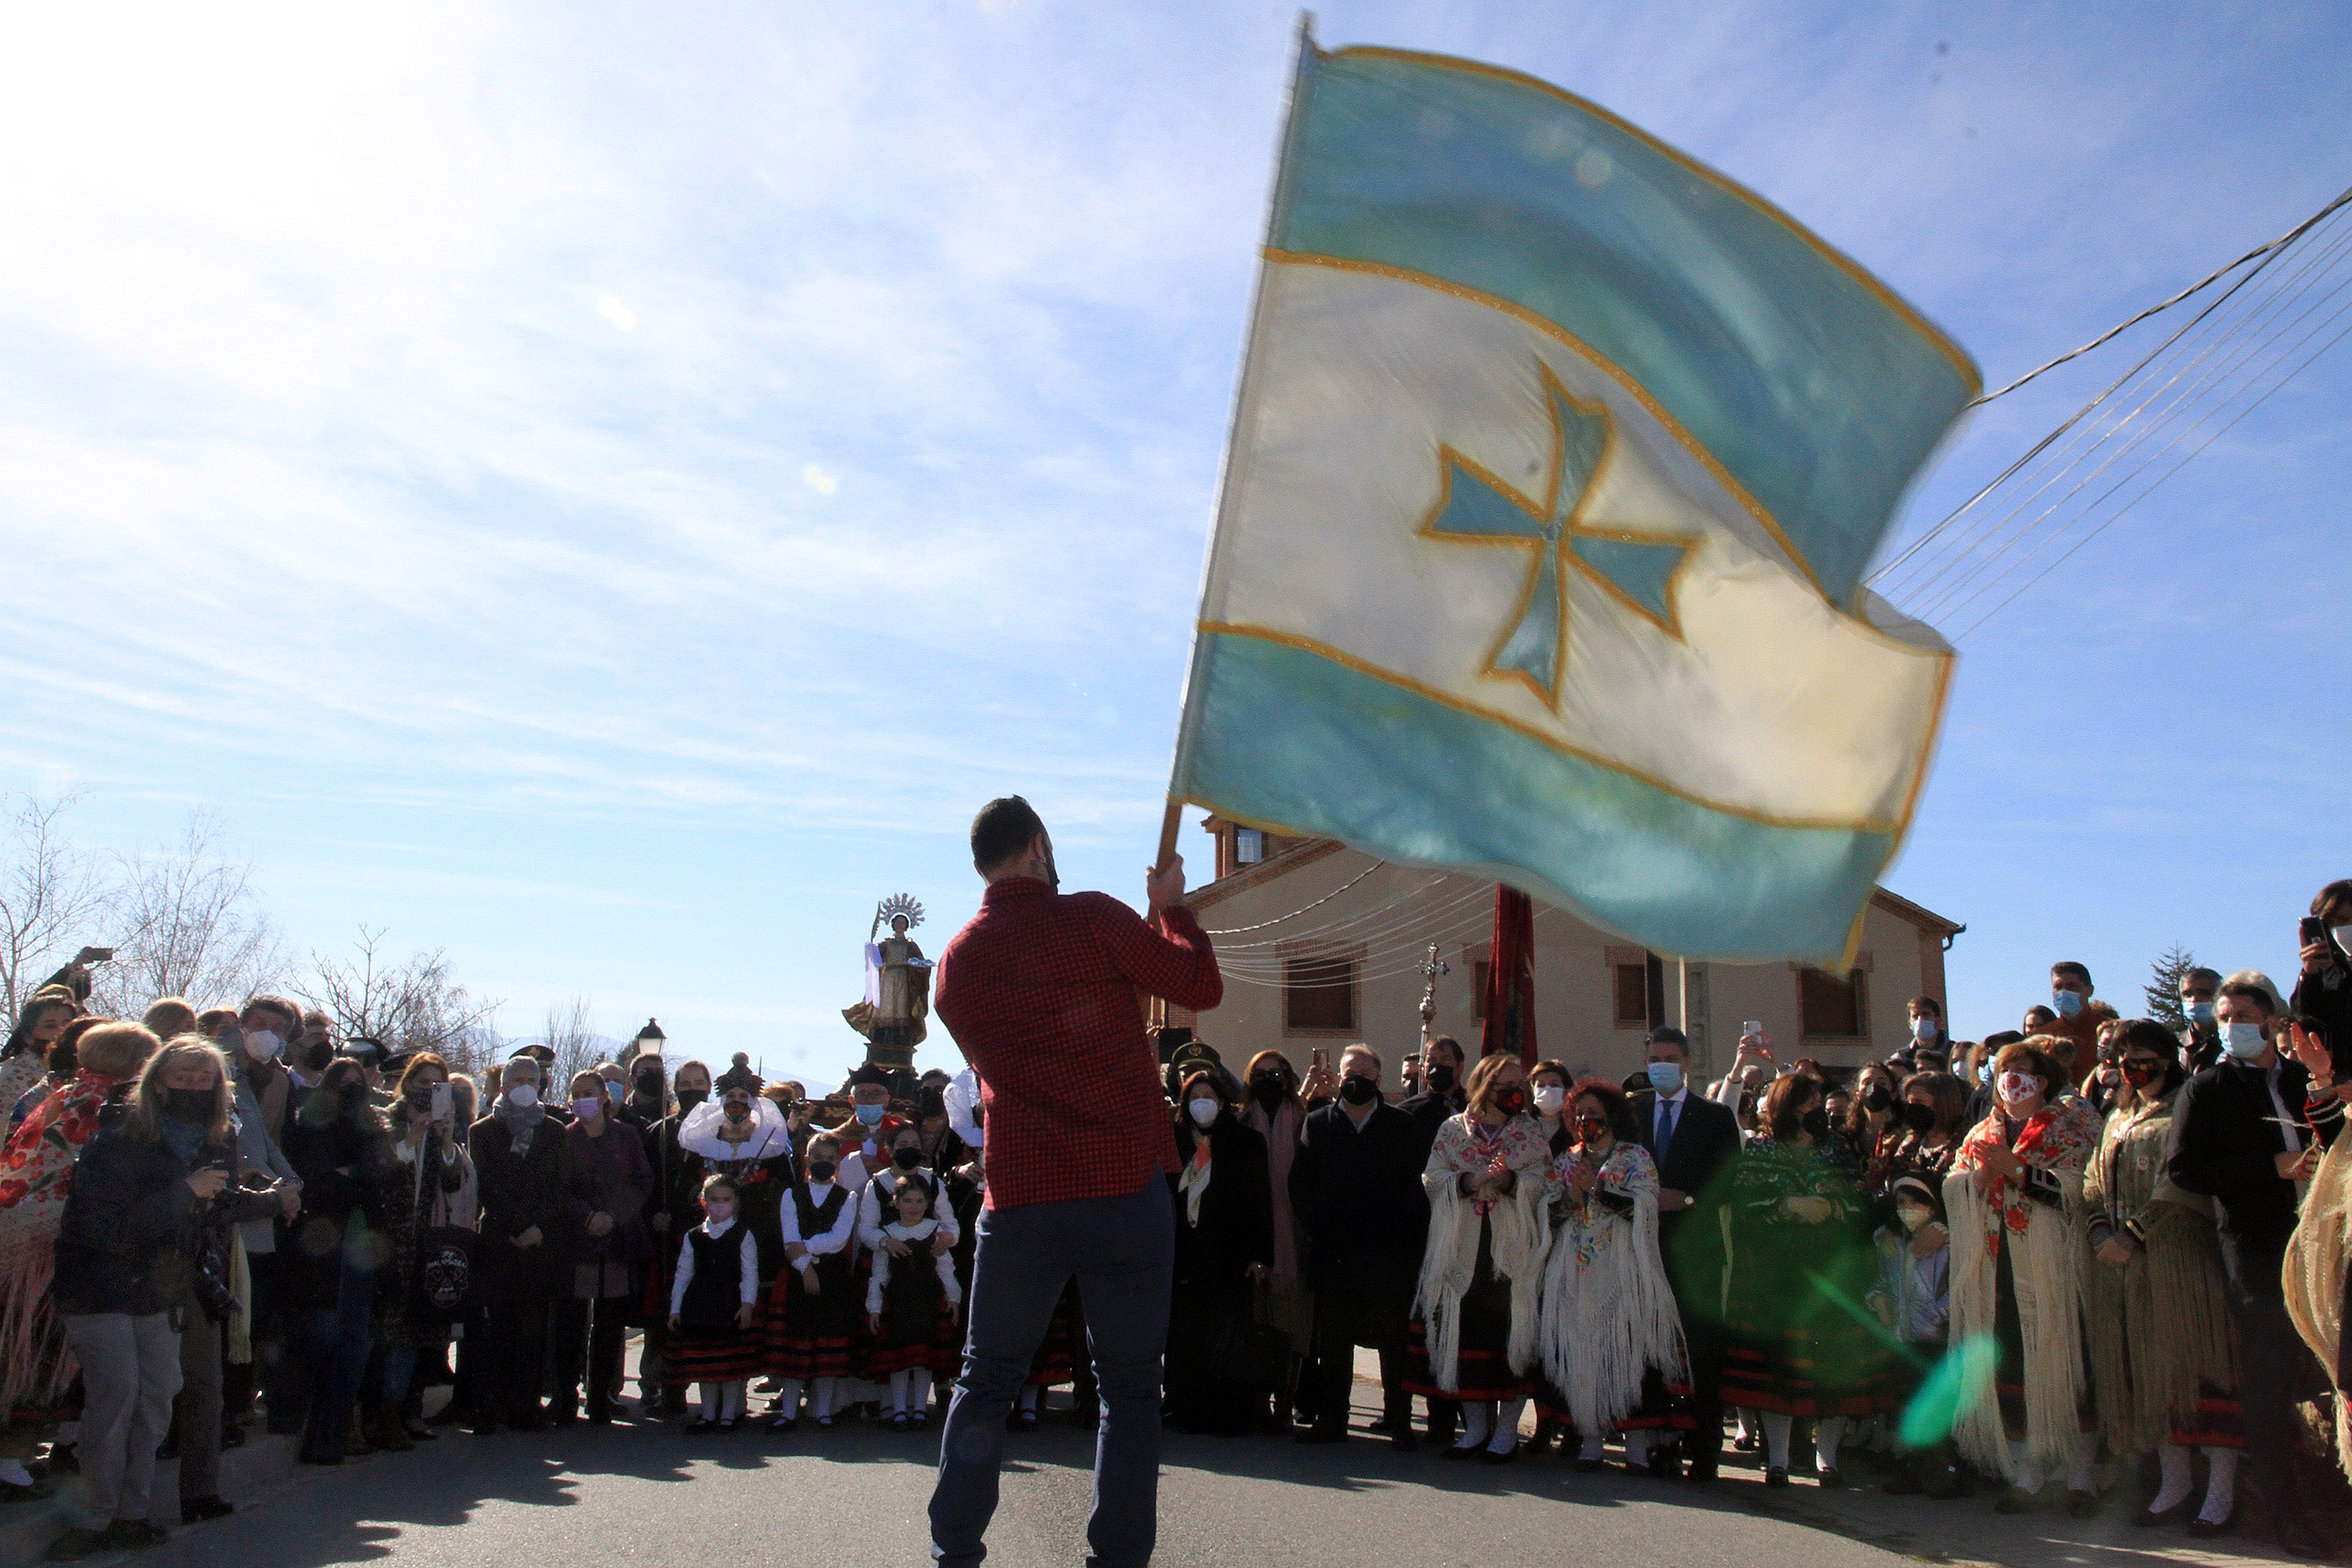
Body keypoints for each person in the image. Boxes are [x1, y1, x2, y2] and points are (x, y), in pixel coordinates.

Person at [926, 796, 1221, 1568]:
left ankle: (953, 1546)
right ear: (1037, 846)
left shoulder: (956, 962)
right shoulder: (1091, 916)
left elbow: (1019, 1046)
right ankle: (1116, 1557)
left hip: (1022, 1190)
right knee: (1127, 1388)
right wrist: (1172, 909)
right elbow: (1196, 980)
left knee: (985, 1377)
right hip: (1121, 1182)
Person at [2166, 973, 2342, 1558]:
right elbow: (2184, 1171)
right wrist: (2269, 1166)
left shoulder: (2302, 1079)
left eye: (2242, 1013)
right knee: (2267, 1386)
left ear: (2269, 1018)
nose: (2230, 1024)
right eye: (2222, 1015)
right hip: (2257, 1252)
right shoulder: (2206, 1087)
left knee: (2334, 1373)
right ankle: (2286, 1514)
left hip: (2325, 1249)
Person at [43, 1030, 212, 1560]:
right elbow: (102, 1227)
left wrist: (271, 1198)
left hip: (156, 1290)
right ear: (156, 1082)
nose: (193, 1088)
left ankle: (131, 1514)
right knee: (115, 1400)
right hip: (99, 1287)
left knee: (158, 1395)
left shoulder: (204, 1139)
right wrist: (186, 1192)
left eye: (204, 1079)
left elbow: (206, 1206)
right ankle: (90, 1519)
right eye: (181, 1077)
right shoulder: (118, 1134)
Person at [2081, 1021, 2241, 1532]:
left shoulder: (2185, 1107)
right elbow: (2092, 1180)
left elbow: (2184, 1179)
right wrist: (2101, 1231)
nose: (2134, 1066)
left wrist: (2135, 1233)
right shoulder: (2117, 1115)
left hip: (2178, 1258)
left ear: (2168, 1059)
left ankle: (2221, 1489)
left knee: (2197, 1367)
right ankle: (2174, 1484)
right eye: (2125, 1057)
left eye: (2145, 1056)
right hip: (2121, 1268)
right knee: (2147, 1373)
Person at [1945, 1038, 2102, 1514]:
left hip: (2052, 1266)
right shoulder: (1980, 1133)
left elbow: (2079, 1190)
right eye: (2005, 1070)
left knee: (2065, 1360)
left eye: (2025, 1071)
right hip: (1995, 1266)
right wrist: (1977, 1180)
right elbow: (1955, 1182)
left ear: (2046, 1080)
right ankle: (2024, 1471)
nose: (2013, 1079)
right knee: (2008, 1363)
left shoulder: (2070, 1127)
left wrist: (2018, 1172)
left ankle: (2081, 1476)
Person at [0, 1022, 155, 1500]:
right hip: (58, 1243)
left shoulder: (62, 1092)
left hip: (27, 1233)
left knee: (30, 1352)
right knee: (43, 1354)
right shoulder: (104, 1105)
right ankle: (13, 1459)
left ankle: (24, 1454)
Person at [1720, 1071, 1894, 1488]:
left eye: (1818, 1100)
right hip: (1777, 1273)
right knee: (1779, 1368)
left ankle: (1827, 1460)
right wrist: (1786, 1206)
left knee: (1831, 1369)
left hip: (1830, 1273)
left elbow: (1859, 1202)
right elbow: (1743, 1204)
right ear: (1785, 1107)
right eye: (1805, 1101)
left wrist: (1832, 1208)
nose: (1815, 1108)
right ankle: (1777, 1459)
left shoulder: (1836, 1149)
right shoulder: (1761, 1150)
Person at [1406, 1052, 1550, 1464]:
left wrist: (1510, 1182)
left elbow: (1545, 1183)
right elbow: (1432, 1178)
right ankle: (1476, 1429)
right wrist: (1469, 1180)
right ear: (1485, 1086)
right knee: (1465, 1334)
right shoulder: (1453, 1131)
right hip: (1462, 1249)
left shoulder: (1529, 1134)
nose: (1515, 1093)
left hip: (1510, 1252)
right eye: (1507, 1085)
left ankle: (1507, 1432)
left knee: (1513, 1337)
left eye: (1519, 1086)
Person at [1538, 1077, 1687, 1473]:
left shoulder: (1635, 1158)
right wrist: (1572, 1195)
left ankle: (1637, 1443)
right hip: (1576, 1267)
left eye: (1595, 1114)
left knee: (1627, 1347)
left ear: (1613, 1116)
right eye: (1581, 1114)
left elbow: (1646, 1209)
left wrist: (1599, 1191)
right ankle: (1591, 1437)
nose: (1587, 1121)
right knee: (1583, 1349)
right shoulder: (1567, 1160)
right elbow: (1548, 1215)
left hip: (1622, 1265)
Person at [1289, 1045, 1424, 1449]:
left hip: (1388, 1255)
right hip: (1334, 1253)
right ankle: (1332, 1419)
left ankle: (1398, 1419)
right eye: (1350, 1072)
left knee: (1392, 1343)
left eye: (1364, 1074)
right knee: (1333, 1343)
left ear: (1378, 1080)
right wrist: (1317, 1227)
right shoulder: (1318, 1123)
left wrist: (1402, 1239)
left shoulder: (1402, 1126)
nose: (1356, 1080)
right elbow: (1301, 1185)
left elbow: (1415, 1190)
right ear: (1339, 1074)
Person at [1630, 1025, 1742, 1484]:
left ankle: (1705, 1448)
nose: (1662, 1067)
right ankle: (1660, 1443)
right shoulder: (1633, 1111)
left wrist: (1689, 1199)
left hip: (1696, 1252)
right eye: (1654, 1058)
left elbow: (1730, 1179)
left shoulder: (1714, 1118)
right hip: (1642, 1250)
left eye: (1670, 1059)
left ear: (1688, 1063)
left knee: (1701, 1351)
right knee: (1650, 1350)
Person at [278, 1056, 395, 1465]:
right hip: (320, 1248)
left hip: (363, 1248)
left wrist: (354, 1178)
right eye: (341, 1084)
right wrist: (347, 1179)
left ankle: (332, 1434)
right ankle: (304, 1427)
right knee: (320, 1339)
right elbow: (312, 1179)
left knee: (354, 1344)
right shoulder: (308, 1124)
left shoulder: (374, 1127)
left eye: (356, 1084)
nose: (349, 1091)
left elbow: (382, 1173)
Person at [1163, 1070, 1273, 1436]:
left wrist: (1260, 1255)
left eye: (1209, 1096)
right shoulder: (1174, 1142)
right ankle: (1181, 1405)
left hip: (1230, 1257)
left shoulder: (1246, 1142)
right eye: (1194, 1097)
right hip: (1183, 1255)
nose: (1202, 1104)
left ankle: (1227, 1412)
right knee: (1183, 1334)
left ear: (1224, 1102)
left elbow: (1260, 1202)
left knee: (1226, 1333)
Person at [468, 1051, 573, 1434]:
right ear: (502, 1086)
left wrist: (537, 1226)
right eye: (517, 1080)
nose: (525, 1086)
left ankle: (525, 1404)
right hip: (499, 1238)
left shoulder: (554, 1130)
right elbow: (486, 1184)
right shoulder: (482, 1131)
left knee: (532, 1330)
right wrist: (514, 1225)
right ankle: (490, 1402)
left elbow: (561, 1186)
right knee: (496, 1328)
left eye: (533, 1079)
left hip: (540, 1242)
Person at [370, 1055, 469, 1449]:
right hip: (386, 1239)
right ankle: (380, 1415)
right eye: (421, 1081)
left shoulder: (444, 1126)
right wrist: (413, 1134)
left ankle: (406, 1410)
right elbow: (383, 1169)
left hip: (423, 1239)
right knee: (387, 1331)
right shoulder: (386, 1119)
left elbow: (449, 1182)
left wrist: (445, 1140)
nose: (427, 1090)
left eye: (437, 1084)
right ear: (407, 1082)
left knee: (414, 1330)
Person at [557, 1069, 652, 1424]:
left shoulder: (626, 1136)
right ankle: (566, 1396)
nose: (584, 1097)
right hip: (577, 1240)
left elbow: (642, 1181)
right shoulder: (564, 1138)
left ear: (604, 1097)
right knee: (571, 1322)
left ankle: (600, 1396)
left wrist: (613, 1215)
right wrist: (586, 1217)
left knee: (609, 1324)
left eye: (590, 1091)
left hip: (617, 1238)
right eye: (577, 1092)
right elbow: (559, 1187)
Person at [1869, 1173, 1962, 1498]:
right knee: (1907, 1406)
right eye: (1900, 1203)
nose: (1906, 1210)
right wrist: (1878, 1302)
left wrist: (1936, 1318)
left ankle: (1945, 1472)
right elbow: (1883, 1282)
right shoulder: (1892, 1243)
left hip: (1934, 1340)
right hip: (1902, 1338)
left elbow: (1956, 1293)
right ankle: (1912, 1468)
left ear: (1932, 1208)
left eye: (1914, 1203)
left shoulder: (1947, 1245)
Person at [1235, 1049, 1311, 1429]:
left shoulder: (1304, 1121)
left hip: (1294, 1236)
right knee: (1255, 1320)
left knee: (1292, 1324)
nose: (1269, 1079)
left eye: (1276, 1072)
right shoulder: (1240, 1120)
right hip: (1252, 1232)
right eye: (1260, 1073)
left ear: (1288, 1078)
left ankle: (1286, 1399)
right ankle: (1256, 1401)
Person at [767, 1130, 858, 1431]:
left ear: (838, 1163)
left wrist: (806, 1247)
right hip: (796, 1276)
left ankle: (822, 1411)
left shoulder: (849, 1197)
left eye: (831, 1158)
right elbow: (788, 1238)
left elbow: (838, 1239)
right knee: (797, 1343)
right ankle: (789, 1412)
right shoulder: (791, 1194)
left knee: (827, 1346)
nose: (824, 1162)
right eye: (818, 1157)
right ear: (807, 1159)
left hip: (833, 1279)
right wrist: (805, 1267)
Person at [640, 1057, 711, 1419]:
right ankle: (663, 1386)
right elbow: (645, 1182)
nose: (693, 1089)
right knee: (665, 1313)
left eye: (699, 1083)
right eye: (686, 1083)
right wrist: (655, 1213)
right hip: (668, 1236)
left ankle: (714, 1389)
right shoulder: (659, 1132)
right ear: (676, 1088)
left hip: (708, 1235)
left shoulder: (721, 1130)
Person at [863, 1174, 962, 1430]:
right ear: (895, 1202)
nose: (913, 1206)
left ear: (927, 1204)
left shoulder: (935, 1231)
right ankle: (898, 1410)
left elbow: (946, 1269)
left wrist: (953, 1298)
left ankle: (919, 1409)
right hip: (898, 1302)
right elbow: (879, 1275)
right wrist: (874, 1307)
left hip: (928, 1300)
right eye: (907, 1200)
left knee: (922, 1360)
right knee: (899, 1360)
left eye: (919, 1201)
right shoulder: (888, 1235)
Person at [667, 1173, 761, 1433]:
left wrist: (747, 1305)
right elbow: (683, 1273)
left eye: (726, 1199)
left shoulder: (744, 1235)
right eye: (714, 1199)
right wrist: (675, 1309)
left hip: (730, 1304)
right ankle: (708, 1414)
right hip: (700, 1306)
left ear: (736, 1201)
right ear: (703, 1201)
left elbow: (749, 1273)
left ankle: (729, 1415)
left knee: (730, 1364)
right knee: (706, 1364)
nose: (720, 1204)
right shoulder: (693, 1236)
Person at [2291, 880, 2352, 1066]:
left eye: (2348, 920)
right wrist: (2311, 975)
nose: (2343, 928)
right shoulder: (2325, 974)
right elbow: (2304, 1023)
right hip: (2338, 1078)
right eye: (2334, 922)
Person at [2178, 965, 2224, 1073]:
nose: (2194, 999)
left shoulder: (2231, 1042)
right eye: (2187, 994)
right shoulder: (2175, 1045)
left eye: (2204, 993)